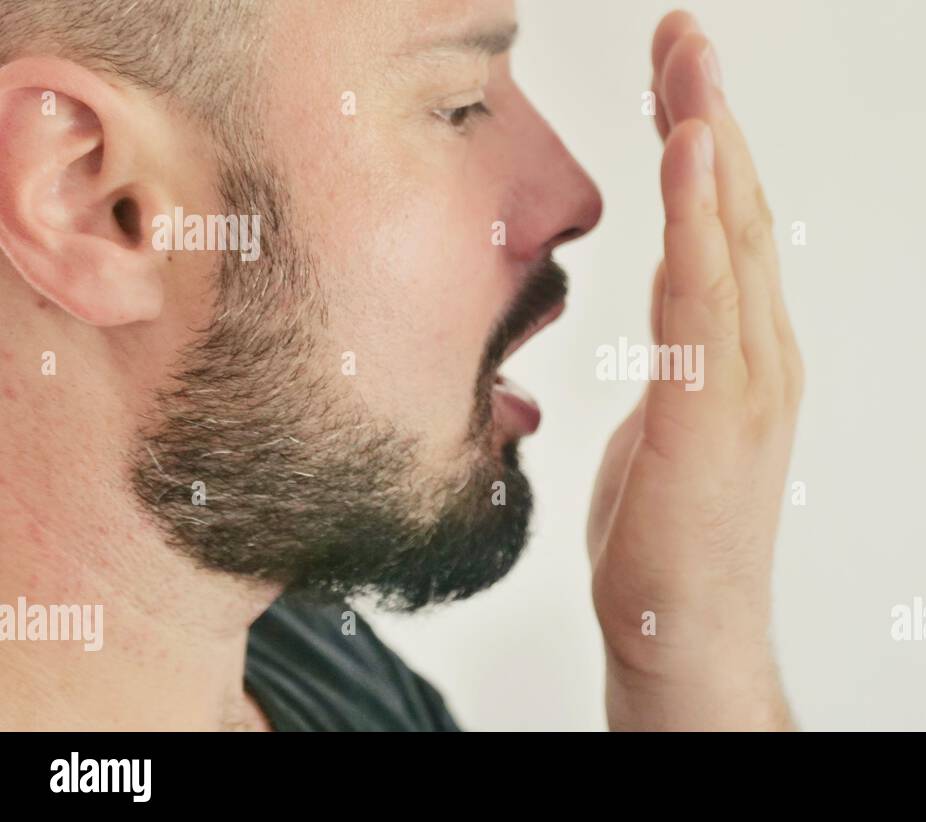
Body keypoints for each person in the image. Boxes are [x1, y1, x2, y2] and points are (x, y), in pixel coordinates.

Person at [0, 1, 802, 730]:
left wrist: (690, 654)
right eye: (457, 107)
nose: (573, 197)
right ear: (95, 201)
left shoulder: (341, 678)